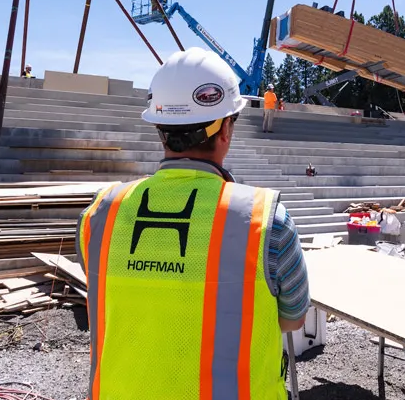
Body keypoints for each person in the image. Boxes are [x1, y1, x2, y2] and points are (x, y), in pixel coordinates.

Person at [77, 48, 309, 400]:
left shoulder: (101, 214)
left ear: (160, 131)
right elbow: (293, 319)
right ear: (226, 130)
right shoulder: (266, 220)